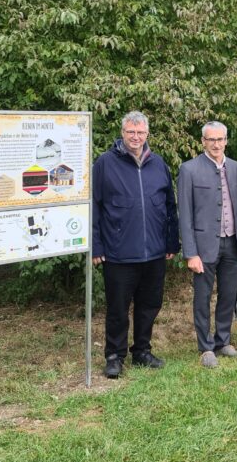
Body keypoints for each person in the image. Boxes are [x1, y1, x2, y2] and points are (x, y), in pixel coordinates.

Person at [92, 111, 179, 379]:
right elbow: (93, 206)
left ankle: (142, 350)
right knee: (118, 308)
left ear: (147, 134)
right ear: (122, 133)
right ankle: (114, 356)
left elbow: (169, 206)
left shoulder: (158, 163)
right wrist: (96, 246)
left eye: (140, 132)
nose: (136, 137)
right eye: (131, 132)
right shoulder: (105, 163)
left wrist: (171, 241)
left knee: (149, 305)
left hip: (154, 252)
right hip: (119, 253)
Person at [178, 121, 237, 368]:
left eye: (220, 139)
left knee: (228, 295)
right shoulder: (189, 169)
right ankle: (205, 347)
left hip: (232, 244)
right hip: (203, 246)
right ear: (203, 142)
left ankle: (223, 341)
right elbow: (185, 215)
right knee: (203, 297)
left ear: (226, 141)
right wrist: (190, 253)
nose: (216, 144)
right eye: (211, 140)